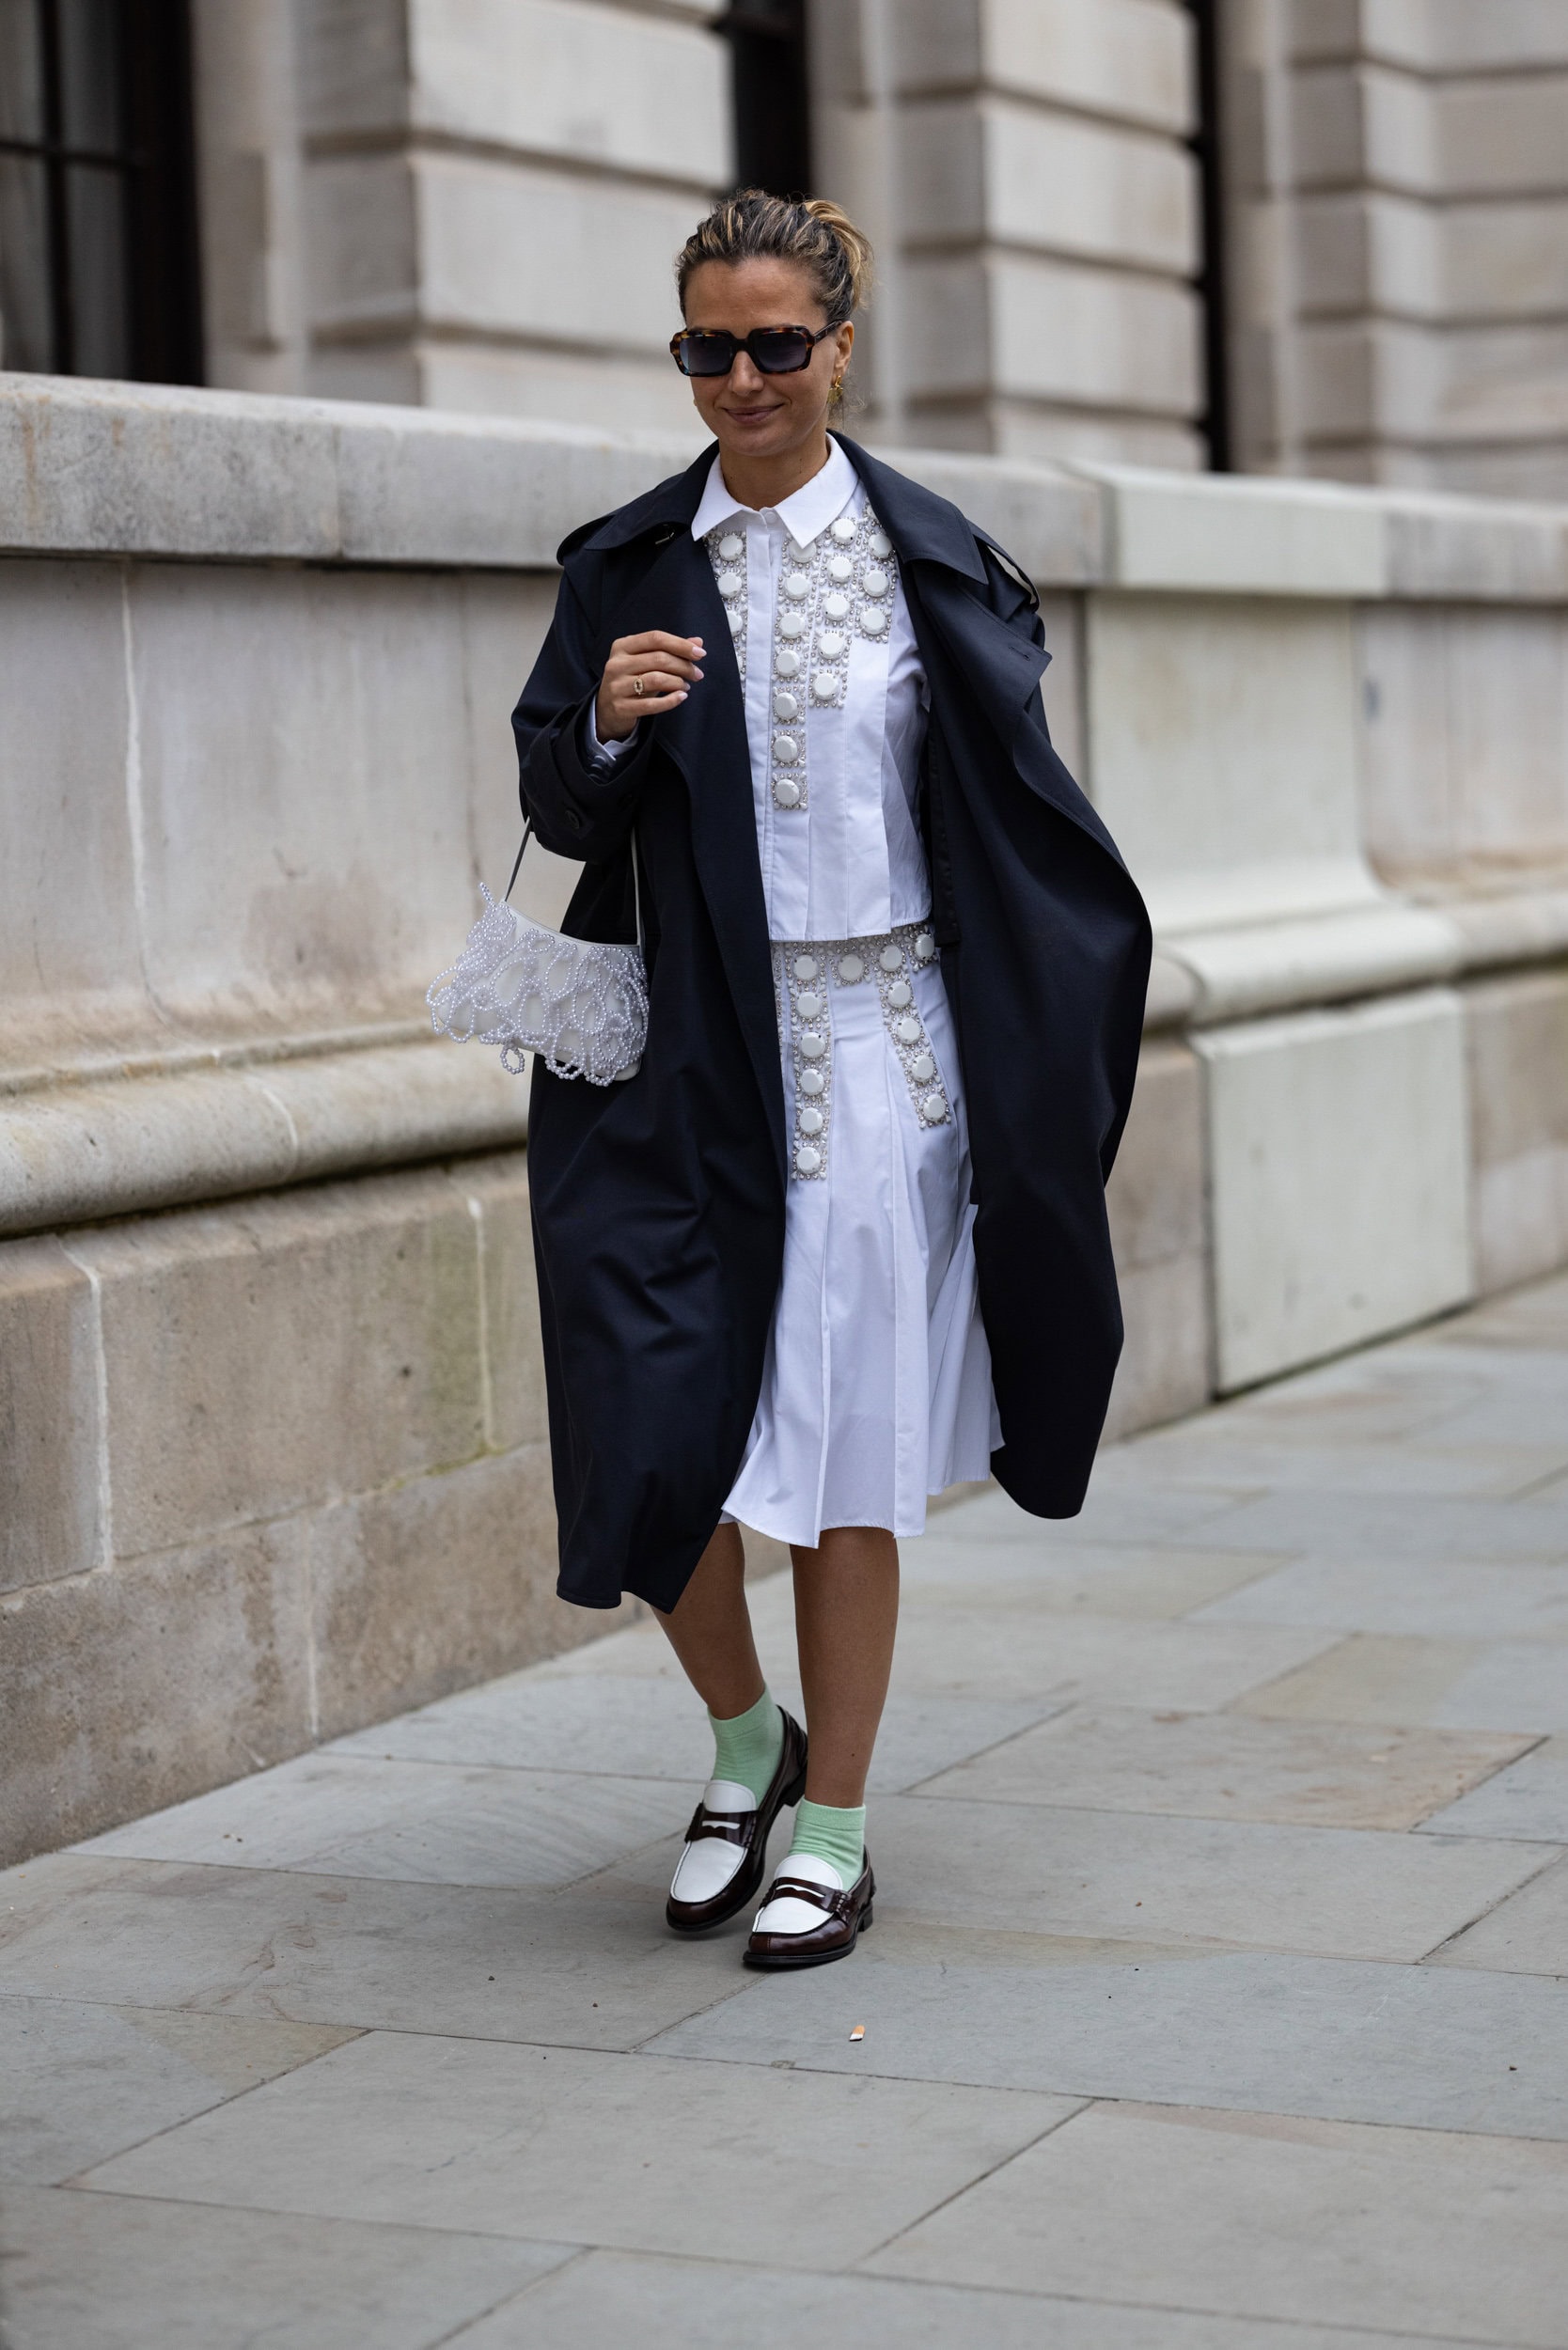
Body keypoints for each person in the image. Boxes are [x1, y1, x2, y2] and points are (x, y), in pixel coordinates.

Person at [513, 191, 1151, 1969]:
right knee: (650, 1427)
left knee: (843, 1447)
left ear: (841, 348)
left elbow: (1017, 828)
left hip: (881, 1058)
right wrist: (606, 723)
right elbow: (555, 806)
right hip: (681, 1061)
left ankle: (838, 1825)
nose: (743, 378)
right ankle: (747, 1742)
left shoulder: (937, 561)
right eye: (708, 347)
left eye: (777, 344)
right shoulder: (625, 565)